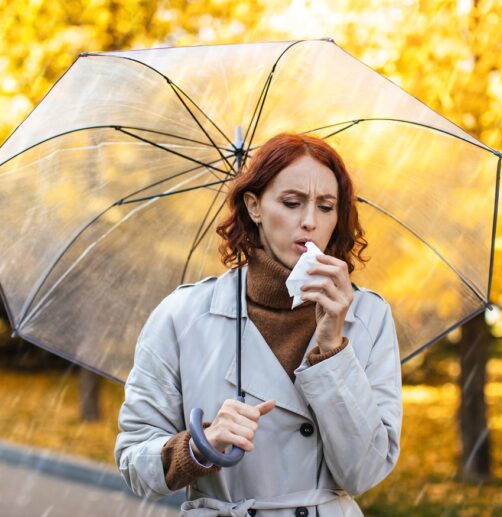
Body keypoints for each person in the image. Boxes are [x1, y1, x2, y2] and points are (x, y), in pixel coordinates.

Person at [115, 133, 402, 516]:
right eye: (291, 202)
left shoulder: (368, 317)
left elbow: (364, 473)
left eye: (326, 206)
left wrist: (332, 347)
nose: (309, 222)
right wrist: (201, 446)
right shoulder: (182, 315)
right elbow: (134, 463)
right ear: (254, 206)